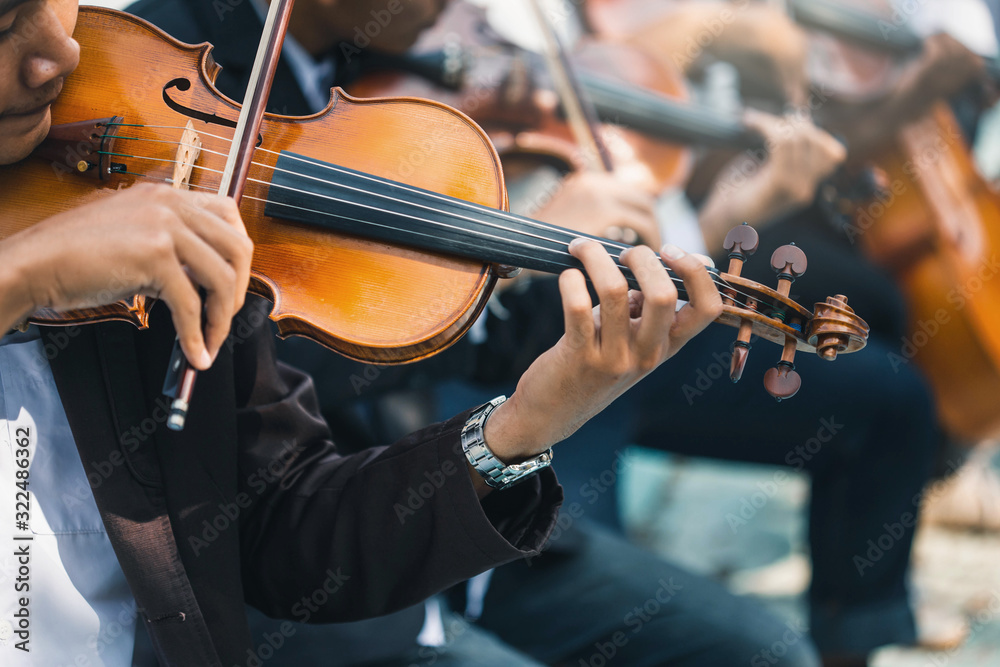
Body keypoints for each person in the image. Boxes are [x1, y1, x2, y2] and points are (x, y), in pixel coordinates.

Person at [0, 1, 726, 665]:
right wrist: (22, 276)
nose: (59, 54)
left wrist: (525, 422)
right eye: (4, 24)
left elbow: (283, 538)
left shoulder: (146, 185)